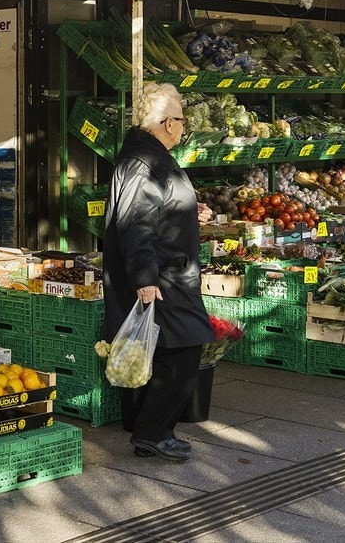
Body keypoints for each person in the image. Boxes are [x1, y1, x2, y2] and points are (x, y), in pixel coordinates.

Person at [100, 82, 209, 460]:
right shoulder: (143, 162)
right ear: (165, 122)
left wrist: (185, 212)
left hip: (169, 271)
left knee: (165, 349)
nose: (184, 126)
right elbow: (136, 223)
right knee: (185, 347)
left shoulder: (149, 156)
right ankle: (151, 432)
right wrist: (145, 280)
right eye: (181, 119)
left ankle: (150, 430)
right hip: (161, 276)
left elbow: (156, 210)